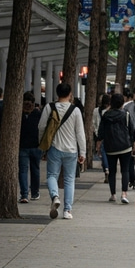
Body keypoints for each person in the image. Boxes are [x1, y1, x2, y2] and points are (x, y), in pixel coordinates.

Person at [38, 82, 85, 220]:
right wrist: (83, 152)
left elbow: (41, 127)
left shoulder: (49, 107)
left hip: (54, 148)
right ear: (70, 94)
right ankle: (67, 210)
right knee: (69, 180)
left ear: (57, 93)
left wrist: (42, 143)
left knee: (52, 175)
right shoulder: (75, 110)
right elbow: (80, 133)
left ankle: (55, 196)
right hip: (71, 150)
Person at [97, 93, 133, 204]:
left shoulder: (106, 115)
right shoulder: (126, 114)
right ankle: (124, 193)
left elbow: (101, 132)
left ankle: (113, 194)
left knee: (112, 171)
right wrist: (132, 142)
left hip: (110, 147)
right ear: (122, 102)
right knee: (125, 170)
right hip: (125, 147)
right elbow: (131, 130)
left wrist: (98, 144)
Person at [18, 91, 42, 202]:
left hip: (22, 145)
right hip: (36, 146)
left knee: (23, 170)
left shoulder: (19, 115)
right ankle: (35, 192)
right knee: (35, 170)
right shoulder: (38, 114)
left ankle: (24, 194)